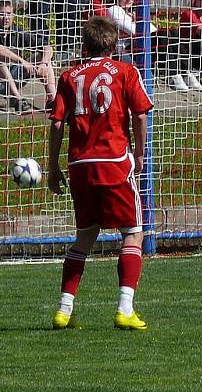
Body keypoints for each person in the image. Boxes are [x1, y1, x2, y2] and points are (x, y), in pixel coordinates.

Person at [48, 16, 154, 331]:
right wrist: (139, 152)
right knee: (133, 232)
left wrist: (53, 166)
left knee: (85, 236)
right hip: (114, 161)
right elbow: (140, 115)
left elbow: (56, 123)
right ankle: (124, 309)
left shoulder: (69, 77)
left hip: (80, 166)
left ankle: (64, 311)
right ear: (114, 44)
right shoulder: (125, 72)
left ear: (84, 45)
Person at [0, 0, 57, 113]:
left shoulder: (17, 31)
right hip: (1, 80)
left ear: (13, 15)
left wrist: (43, 63)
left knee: (43, 57)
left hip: (15, 76)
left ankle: (52, 100)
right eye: (2, 14)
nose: (6, 17)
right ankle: (17, 99)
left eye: (9, 14)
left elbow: (48, 47)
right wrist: (22, 61)